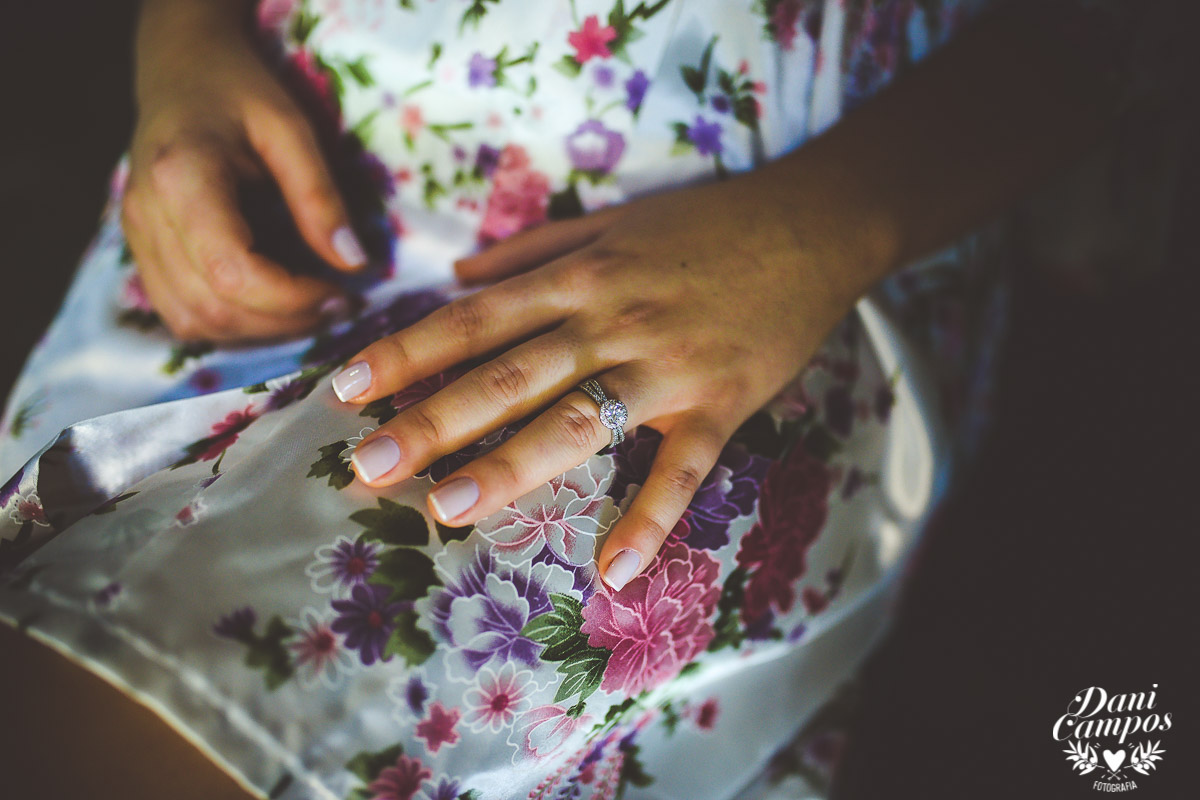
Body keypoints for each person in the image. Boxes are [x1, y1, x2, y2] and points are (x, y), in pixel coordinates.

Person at [0, 1, 1154, 798]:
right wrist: (184, 51)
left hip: (757, 258)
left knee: (221, 644)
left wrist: (827, 227)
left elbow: (1109, 34)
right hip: (264, 187)